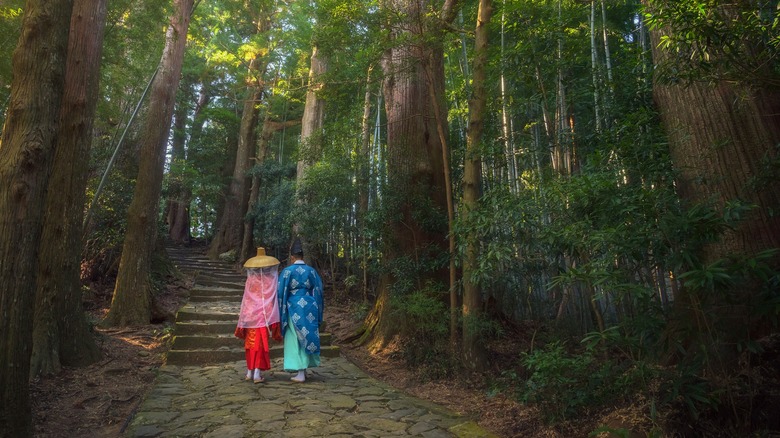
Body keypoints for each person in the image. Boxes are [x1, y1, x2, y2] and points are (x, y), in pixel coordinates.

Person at [277, 238, 324, 383]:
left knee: (295, 338)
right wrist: (317, 308)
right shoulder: (312, 271)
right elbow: (319, 291)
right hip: (309, 305)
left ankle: (300, 372)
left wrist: (281, 309)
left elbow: (280, 292)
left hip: (293, 306)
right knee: (307, 335)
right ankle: (304, 369)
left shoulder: (287, 272)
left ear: (292, 257)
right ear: (303, 256)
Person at [234, 247, 282, 383]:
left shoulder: (251, 280)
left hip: (250, 317)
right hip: (264, 317)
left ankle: (250, 372)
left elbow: (247, 299)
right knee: (259, 346)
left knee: (250, 345)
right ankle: (256, 373)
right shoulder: (270, 280)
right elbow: (271, 298)